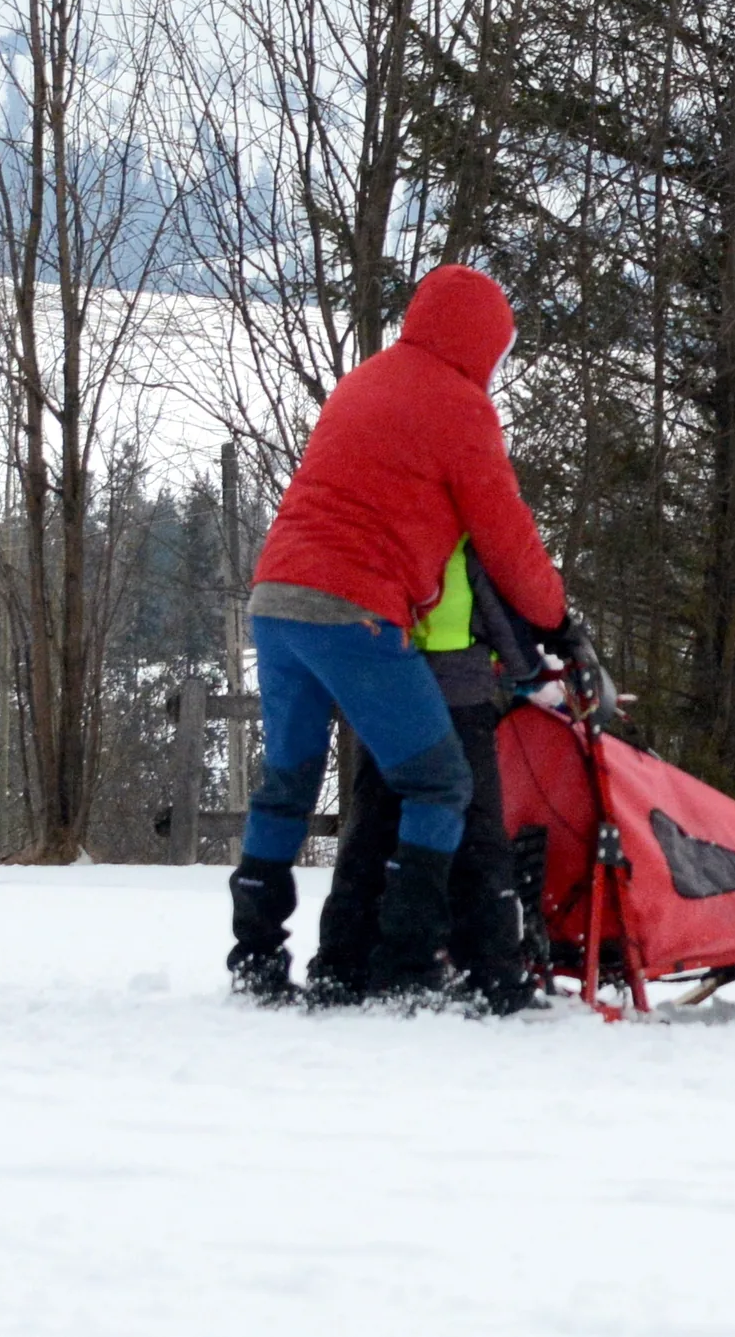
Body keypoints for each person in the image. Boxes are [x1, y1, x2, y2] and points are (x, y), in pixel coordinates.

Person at [228, 264, 572, 1003]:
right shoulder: (461, 407)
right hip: (355, 611)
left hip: (275, 598)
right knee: (440, 782)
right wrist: (554, 614)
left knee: (286, 784)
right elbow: (507, 539)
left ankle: (255, 957)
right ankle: (408, 965)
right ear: (483, 342)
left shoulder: (365, 380)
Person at [303, 541, 548, 1013]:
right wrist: (530, 670)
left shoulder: (385, 533)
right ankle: (489, 973)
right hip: (459, 697)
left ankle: (344, 965)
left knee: (373, 827)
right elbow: (502, 621)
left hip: (385, 695)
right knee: (477, 834)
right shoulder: (465, 540)